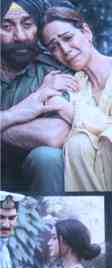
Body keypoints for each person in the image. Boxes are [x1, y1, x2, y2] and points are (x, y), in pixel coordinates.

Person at [39, 5, 112, 191]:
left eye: (68, 38)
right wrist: (44, 92)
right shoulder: (75, 86)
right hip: (95, 191)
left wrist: (66, 109)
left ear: (86, 32)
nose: (65, 50)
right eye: (54, 47)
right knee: (78, 143)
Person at [0, 0, 71, 193]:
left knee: (48, 157)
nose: (20, 36)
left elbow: (53, 135)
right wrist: (19, 112)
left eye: (27, 24)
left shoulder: (55, 70)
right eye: (6, 27)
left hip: (35, 175)